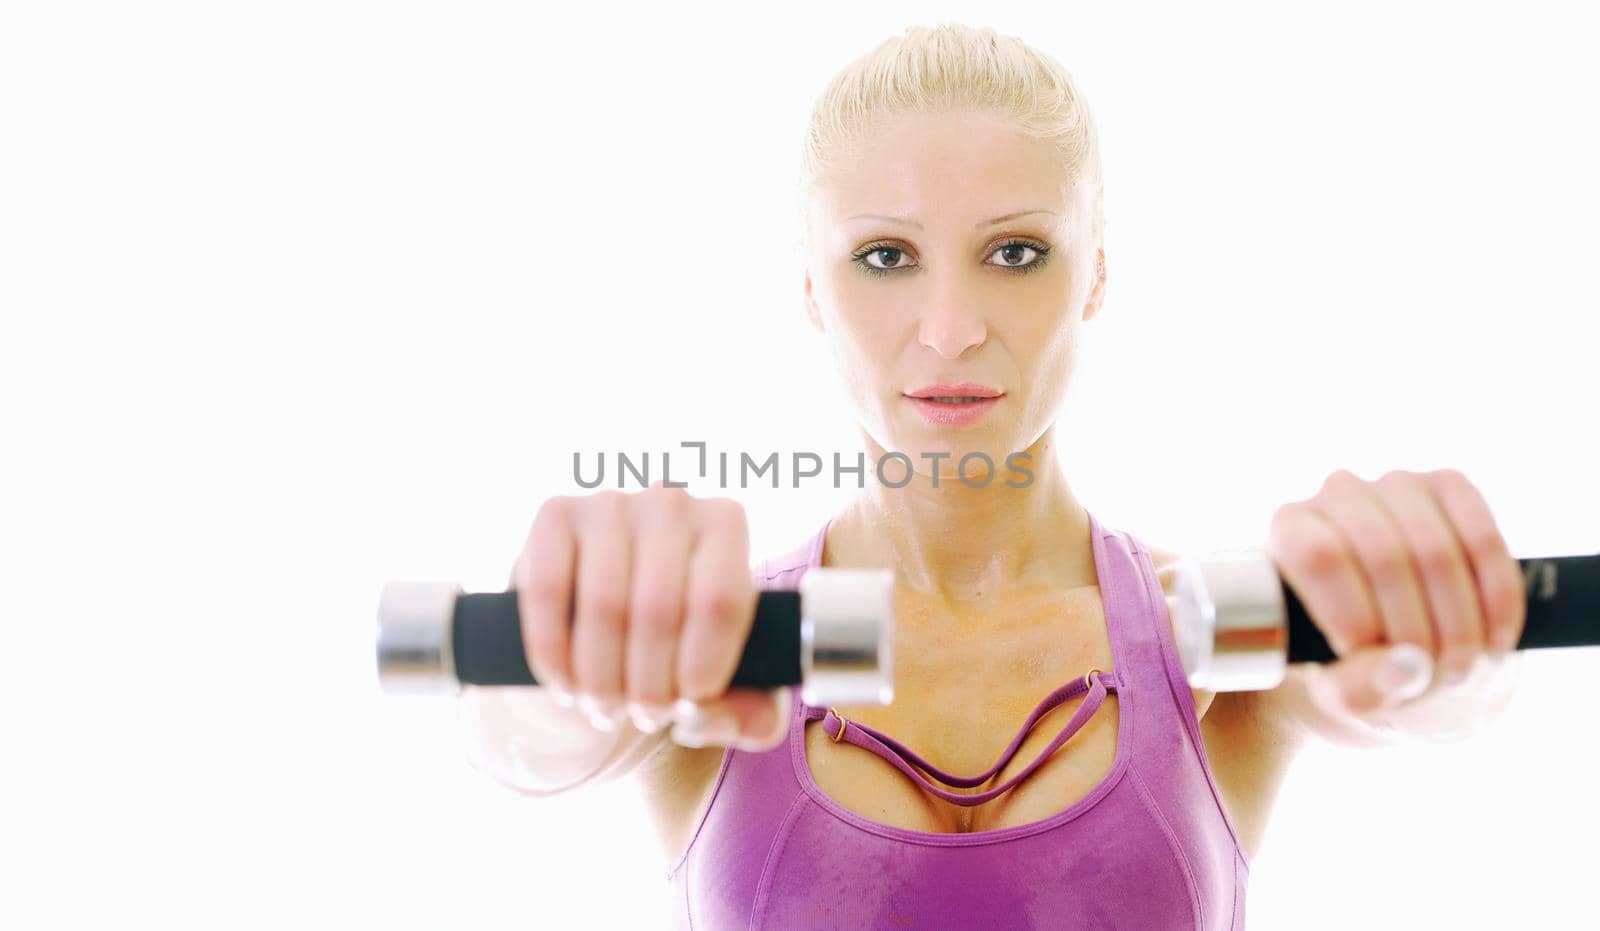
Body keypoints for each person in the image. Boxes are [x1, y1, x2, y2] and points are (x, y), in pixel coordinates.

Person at [459, 23, 1526, 929]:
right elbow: (529, 743)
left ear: (1094, 272)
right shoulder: (718, 646)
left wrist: (1445, 655)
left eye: (1014, 252)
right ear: (810, 288)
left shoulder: (1207, 639)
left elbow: (1431, 707)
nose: (951, 330)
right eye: (885, 257)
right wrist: (557, 661)